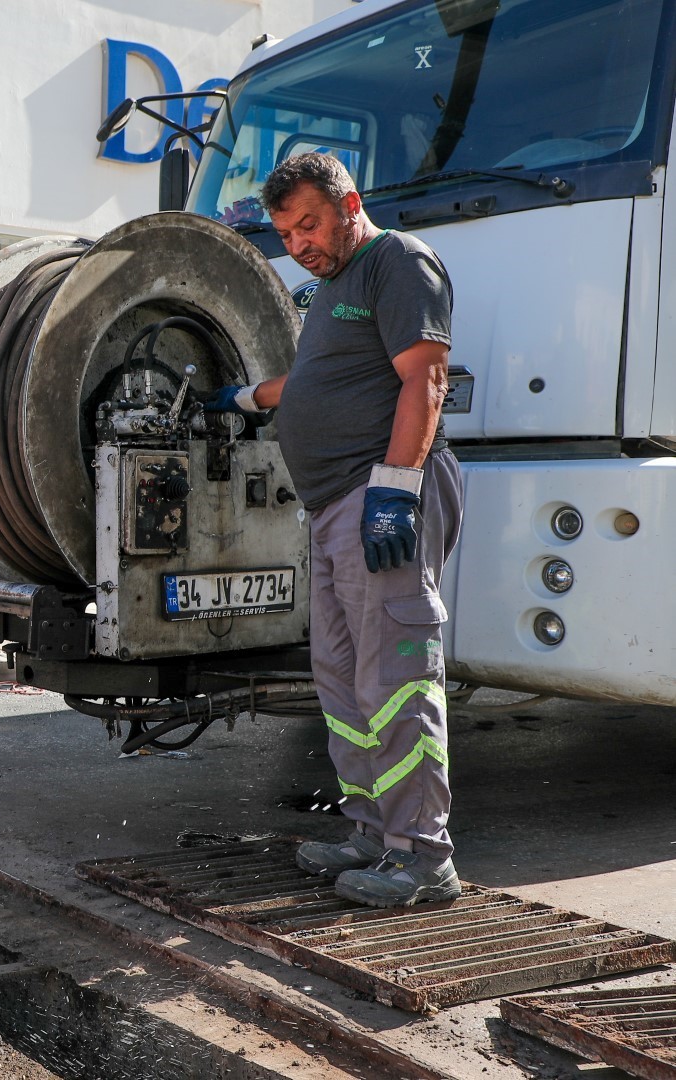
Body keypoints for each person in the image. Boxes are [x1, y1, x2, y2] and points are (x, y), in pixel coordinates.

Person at [206, 152, 462, 908]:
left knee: (396, 676)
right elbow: (322, 378)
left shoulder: (398, 262)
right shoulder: (332, 287)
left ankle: (423, 856)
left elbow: (426, 377)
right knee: (343, 678)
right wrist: (248, 394)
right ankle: (372, 831)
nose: (298, 242)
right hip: (332, 506)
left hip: (378, 495)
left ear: (351, 201)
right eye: (286, 231)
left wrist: (397, 488)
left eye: (310, 223)